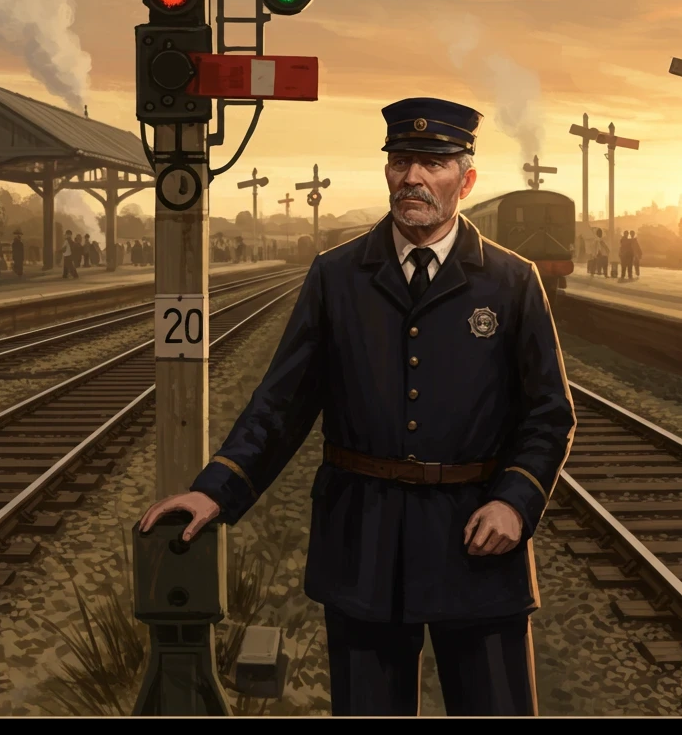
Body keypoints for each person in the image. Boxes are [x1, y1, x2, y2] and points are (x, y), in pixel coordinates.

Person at [139, 97, 576, 717]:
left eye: (433, 163)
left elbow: (548, 414)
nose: (413, 178)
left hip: (479, 545)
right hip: (364, 547)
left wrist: (515, 500)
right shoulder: (336, 276)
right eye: (401, 161)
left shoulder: (512, 281)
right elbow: (280, 405)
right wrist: (216, 490)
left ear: (466, 179)